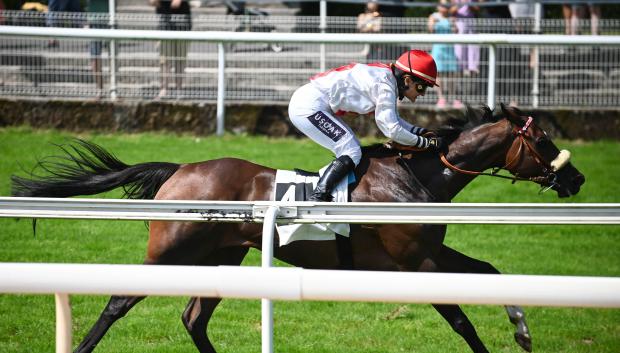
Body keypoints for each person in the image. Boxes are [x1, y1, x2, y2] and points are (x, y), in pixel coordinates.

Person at [288, 50, 443, 202]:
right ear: (407, 80)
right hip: (308, 106)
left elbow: (393, 121)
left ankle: (325, 192)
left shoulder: (387, 79)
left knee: (352, 148)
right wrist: (424, 143)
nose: (422, 94)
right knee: (351, 150)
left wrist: (422, 132)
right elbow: (392, 130)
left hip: (313, 103)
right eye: (422, 87)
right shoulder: (385, 86)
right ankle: (318, 198)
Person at [150, 0, 192, 100]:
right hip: (165, 24)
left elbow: (177, 3)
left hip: (182, 24)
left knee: (180, 59)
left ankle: (179, 89)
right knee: (164, 60)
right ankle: (164, 89)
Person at [429, 0, 461, 109]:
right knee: (438, 75)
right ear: (438, 6)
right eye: (443, 5)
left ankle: (453, 98)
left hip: (450, 49)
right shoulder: (433, 16)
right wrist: (434, 22)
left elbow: (456, 31)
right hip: (438, 49)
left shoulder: (451, 18)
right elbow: (430, 29)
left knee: (451, 74)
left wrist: (453, 23)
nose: (445, 7)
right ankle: (441, 98)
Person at [86, 0, 110, 98]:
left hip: (110, 20)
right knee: (95, 57)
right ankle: (99, 89)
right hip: (94, 21)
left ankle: (114, 89)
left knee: (113, 57)